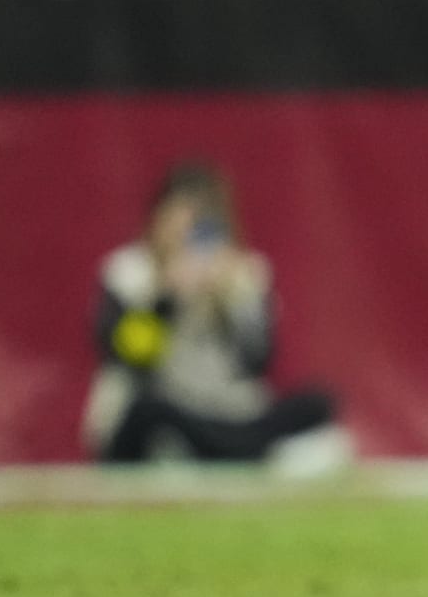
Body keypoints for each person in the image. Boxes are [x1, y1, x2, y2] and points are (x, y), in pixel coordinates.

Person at [82, 161, 344, 467]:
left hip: (224, 413)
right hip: (163, 412)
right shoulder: (128, 272)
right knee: (148, 412)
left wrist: (234, 302)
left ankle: (228, 449)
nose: (186, 238)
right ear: (158, 220)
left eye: (199, 226)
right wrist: (168, 299)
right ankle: (243, 452)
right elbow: (131, 360)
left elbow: (257, 362)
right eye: (177, 224)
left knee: (317, 402)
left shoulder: (245, 274)